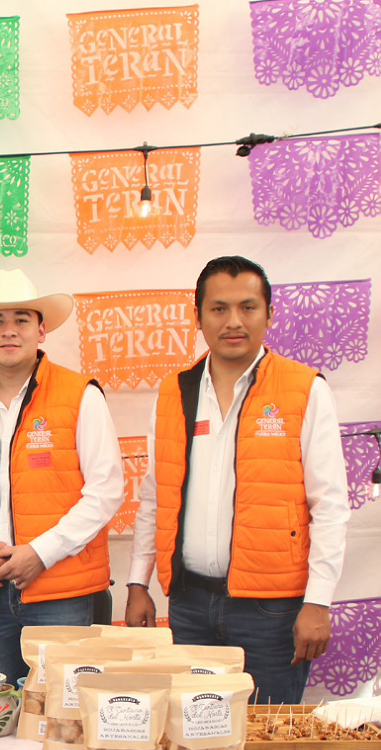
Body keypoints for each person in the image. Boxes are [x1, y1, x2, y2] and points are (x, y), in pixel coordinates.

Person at [125, 255, 349, 703]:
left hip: (273, 611)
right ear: (198, 316)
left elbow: (329, 505)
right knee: (195, 733)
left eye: (248, 307)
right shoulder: (174, 392)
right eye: (219, 308)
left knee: (267, 735)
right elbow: (155, 496)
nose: (233, 321)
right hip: (189, 605)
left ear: (269, 314)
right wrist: (137, 584)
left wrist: (318, 601)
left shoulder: (305, 389)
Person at [0, 269, 123, 684]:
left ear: (41, 331)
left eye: (21, 319)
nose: (9, 330)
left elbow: (106, 490)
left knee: (63, 710)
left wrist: (41, 552)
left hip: (63, 595)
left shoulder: (80, 394)